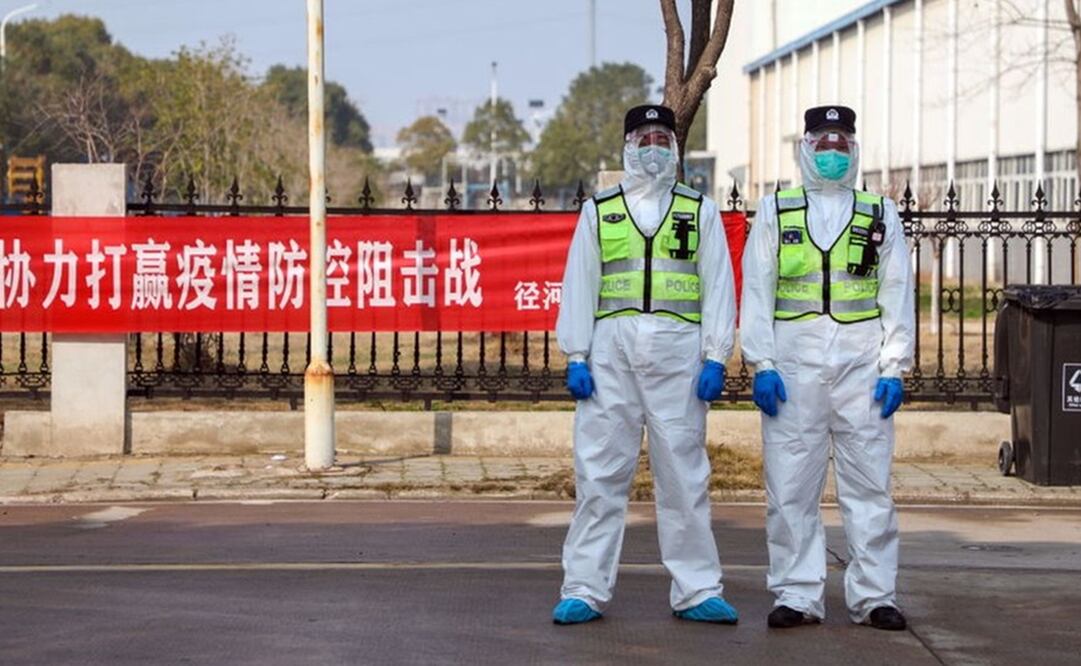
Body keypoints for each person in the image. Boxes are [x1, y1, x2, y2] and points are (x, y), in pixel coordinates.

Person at [551, 104, 739, 626]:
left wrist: (716, 356)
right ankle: (585, 588)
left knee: (684, 476)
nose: (654, 146)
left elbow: (718, 284)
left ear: (675, 148)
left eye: (663, 138)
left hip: (679, 356)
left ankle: (697, 589)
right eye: (645, 137)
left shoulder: (698, 209)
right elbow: (580, 283)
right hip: (611, 358)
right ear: (628, 146)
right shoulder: (602, 210)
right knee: (600, 474)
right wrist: (577, 355)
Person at [740, 105, 915, 631]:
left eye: (841, 143)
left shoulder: (879, 212)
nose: (833, 153)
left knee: (868, 486)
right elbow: (757, 287)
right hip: (794, 366)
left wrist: (894, 365)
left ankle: (874, 595)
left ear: (855, 149)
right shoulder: (777, 210)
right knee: (791, 484)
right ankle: (796, 594)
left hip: (862, 365)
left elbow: (897, 291)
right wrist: (762, 362)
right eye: (824, 143)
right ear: (805, 147)